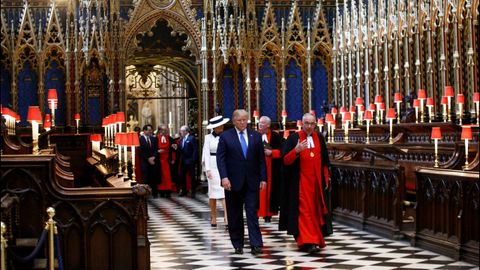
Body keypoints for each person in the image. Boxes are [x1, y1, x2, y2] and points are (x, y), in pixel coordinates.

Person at [279, 113, 332, 254]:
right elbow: (285, 161)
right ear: (302, 123)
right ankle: (308, 241)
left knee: (315, 212)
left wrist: (326, 179)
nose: (309, 126)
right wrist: (296, 151)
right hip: (300, 185)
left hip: (317, 185)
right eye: (306, 123)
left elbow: (325, 162)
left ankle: (315, 239)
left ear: (315, 124)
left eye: (312, 123)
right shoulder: (293, 138)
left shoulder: (319, 137)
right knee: (304, 213)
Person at [216, 109, 267, 255]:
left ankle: (256, 244)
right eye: (240, 120)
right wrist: (224, 177)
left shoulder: (256, 136)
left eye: (245, 120)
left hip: (252, 181)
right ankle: (237, 244)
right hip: (232, 182)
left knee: (252, 212)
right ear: (233, 121)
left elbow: (261, 160)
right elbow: (221, 160)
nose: (243, 122)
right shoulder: (226, 137)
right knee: (235, 214)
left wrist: (263, 178)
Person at [202, 115, 229, 228]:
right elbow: (206, 154)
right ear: (214, 127)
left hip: (224, 164)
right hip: (212, 166)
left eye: (222, 125)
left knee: (225, 192)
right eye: (219, 126)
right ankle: (213, 216)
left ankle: (227, 217)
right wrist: (207, 169)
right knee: (213, 194)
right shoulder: (208, 138)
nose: (221, 127)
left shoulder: (226, 136)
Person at [257, 116, 282, 223]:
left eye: (262, 123)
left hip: (272, 168)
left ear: (268, 125)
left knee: (269, 191)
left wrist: (272, 153)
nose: (259, 125)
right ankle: (257, 213)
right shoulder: (254, 136)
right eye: (259, 123)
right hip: (257, 168)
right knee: (258, 191)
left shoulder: (275, 136)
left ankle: (268, 215)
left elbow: (282, 151)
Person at [139, 124, 160, 198]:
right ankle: (145, 194)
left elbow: (156, 149)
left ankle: (155, 193)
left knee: (154, 177)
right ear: (144, 131)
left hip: (153, 161)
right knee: (145, 178)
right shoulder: (140, 139)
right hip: (145, 161)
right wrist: (148, 159)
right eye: (149, 130)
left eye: (151, 130)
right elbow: (141, 151)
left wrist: (153, 157)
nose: (150, 131)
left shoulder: (154, 139)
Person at [177, 125, 197, 197]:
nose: (180, 132)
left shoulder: (191, 138)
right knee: (182, 176)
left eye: (181, 131)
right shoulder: (182, 139)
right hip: (183, 161)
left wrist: (193, 160)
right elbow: (181, 149)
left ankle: (193, 192)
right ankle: (184, 190)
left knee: (192, 177)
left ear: (185, 131)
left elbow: (195, 150)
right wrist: (176, 148)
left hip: (190, 160)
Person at [156, 124, 175, 198]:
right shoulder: (156, 138)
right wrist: (157, 151)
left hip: (167, 160)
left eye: (165, 130)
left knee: (168, 176)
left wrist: (173, 158)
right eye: (163, 130)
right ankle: (161, 191)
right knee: (161, 176)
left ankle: (168, 191)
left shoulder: (169, 138)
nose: (165, 131)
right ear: (160, 130)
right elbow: (153, 149)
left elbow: (173, 149)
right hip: (159, 160)